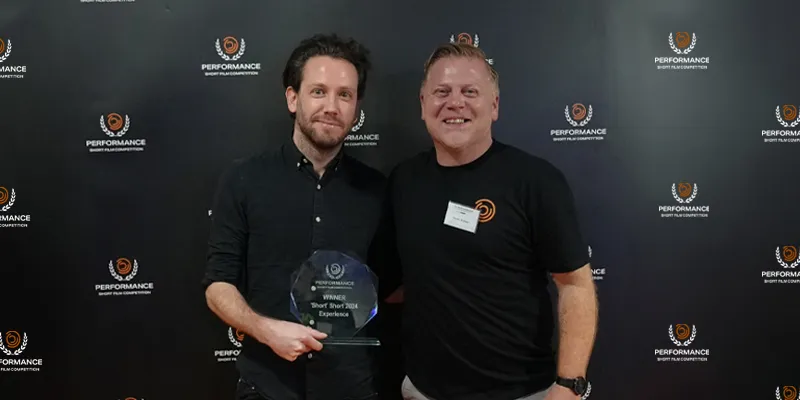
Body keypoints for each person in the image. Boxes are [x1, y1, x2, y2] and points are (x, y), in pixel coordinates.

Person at [385, 43, 599, 400]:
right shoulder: (403, 180)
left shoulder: (536, 181)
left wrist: (569, 385)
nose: (455, 103)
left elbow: (575, 285)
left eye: (470, 91)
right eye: (442, 92)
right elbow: (392, 281)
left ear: (494, 106)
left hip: (521, 392)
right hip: (423, 391)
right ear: (423, 105)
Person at [202, 33, 387, 400]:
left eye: (344, 94)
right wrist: (266, 330)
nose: (331, 106)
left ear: (356, 107)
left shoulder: (378, 191)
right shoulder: (244, 179)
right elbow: (217, 285)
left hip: (352, 387)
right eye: (318, 91)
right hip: (268, 386)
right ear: (292, 97)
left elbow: (391, 282)